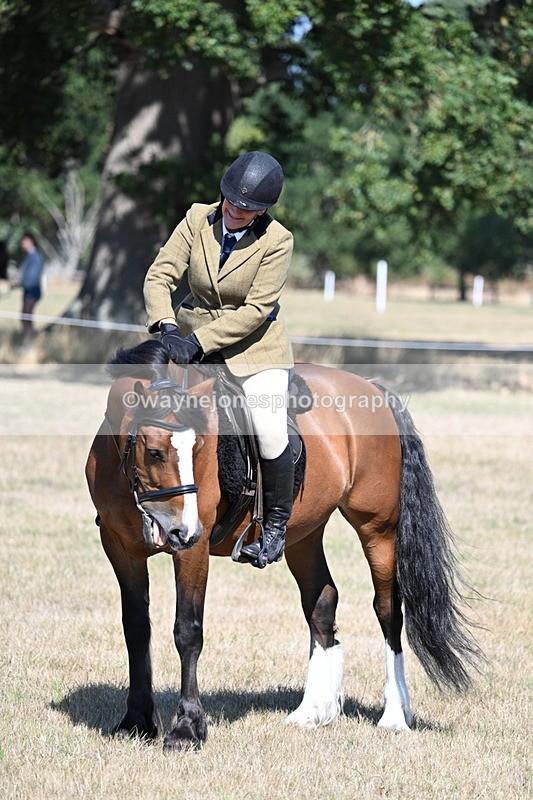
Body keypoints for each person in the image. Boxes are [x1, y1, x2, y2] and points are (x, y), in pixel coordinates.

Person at [144, 151, 294, 569]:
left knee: (268, 429)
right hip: (185, 339)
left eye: (247, 210)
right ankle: (132, 499)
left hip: (253, 351)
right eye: (231, 201)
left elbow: (255, 310)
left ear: (263, 211)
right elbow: (161, 275)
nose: (235, 211)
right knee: (144, 408)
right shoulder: (196, 218)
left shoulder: (277, 240)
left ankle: (275, 526)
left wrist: (201, 342)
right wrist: (167, 325)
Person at [19, 232, 44, 343]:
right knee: (25, 317)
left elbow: (32, 277)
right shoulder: (30, 256)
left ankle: (28, 343)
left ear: (30, 242)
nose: (22, 243)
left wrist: (22, 283)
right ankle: (27, 341)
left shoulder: (35, 257)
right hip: (28, 291)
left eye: (24, 241)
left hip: (32, 291)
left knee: (26, 317)